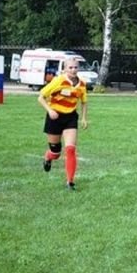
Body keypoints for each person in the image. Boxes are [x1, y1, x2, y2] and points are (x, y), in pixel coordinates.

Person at [38, 59, 89, 190]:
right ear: (65, 69)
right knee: (56, 153)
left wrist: (83, 118)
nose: (73, 70)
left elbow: (84, 101)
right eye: (70, 67)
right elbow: (41, 97)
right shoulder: (58, 80)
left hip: (70, 118)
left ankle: (70, 182)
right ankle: (48, 158)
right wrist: (50, 110)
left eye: (75, 67)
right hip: (55, 117)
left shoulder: (82, 84)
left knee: (71, 149)